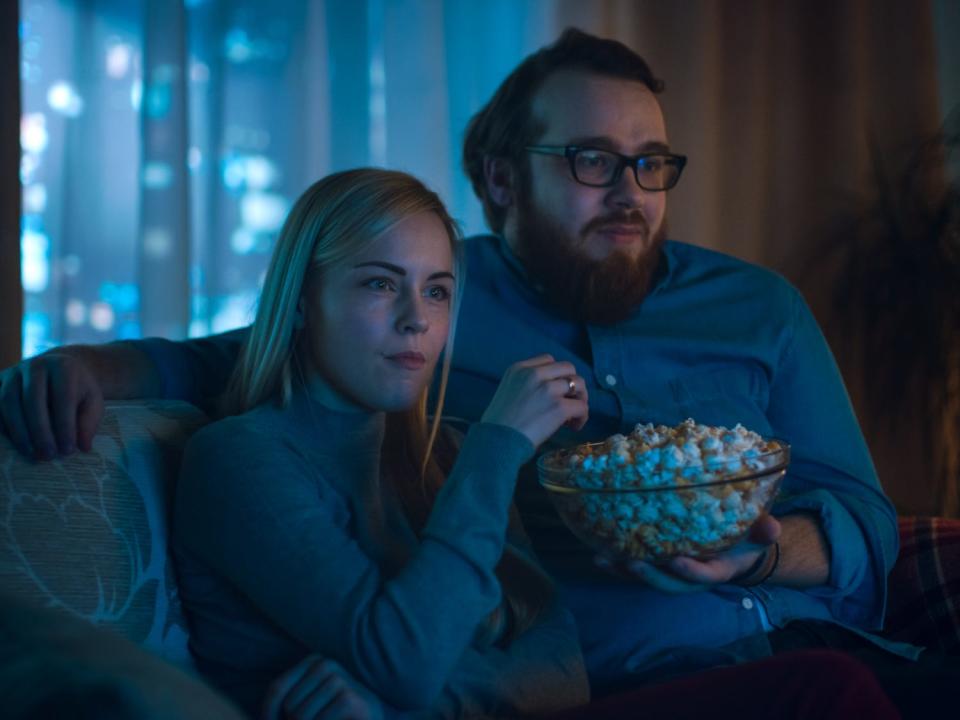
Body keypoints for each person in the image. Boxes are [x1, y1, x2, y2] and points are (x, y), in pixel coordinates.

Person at [0, 27, 944, 717]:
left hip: (822, 627)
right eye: (591, 160)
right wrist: (92, 362)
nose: (630, 193)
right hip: (647, 675)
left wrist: (761, 552)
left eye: (651, 163)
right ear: (498, 178)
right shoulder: (441, 312)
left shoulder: (759, 306)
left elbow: (863, 518)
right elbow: (249, 354)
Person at [167, 167, 592, 718]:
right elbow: (404, 662)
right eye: (380, 283)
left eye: (436, 291)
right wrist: (500, 444)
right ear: (300, 300)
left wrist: (409, 704)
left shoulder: (449, 454)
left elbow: (568, 668)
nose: (416, 319)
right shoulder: (237, 459)